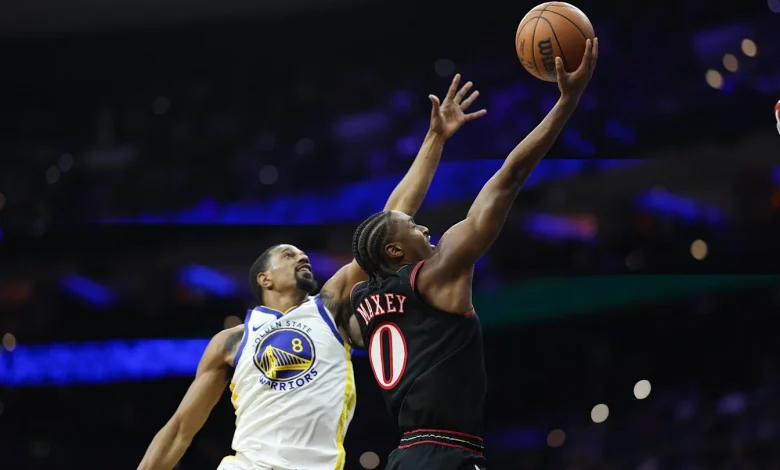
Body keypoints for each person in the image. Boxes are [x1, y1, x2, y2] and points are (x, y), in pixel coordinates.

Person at [136, 74, 487, 470]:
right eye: (288, 254)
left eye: (301, 253)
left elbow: (392, 218)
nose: (301, 256)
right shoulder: (229, 342)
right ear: (263, 279)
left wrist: (435, 139)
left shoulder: (329, 306)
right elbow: (181, 428)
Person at [347, 40, 599, 470]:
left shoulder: (359, 303)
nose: (424, 226)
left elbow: (390, 217)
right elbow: (509, 177)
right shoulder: (437, 273)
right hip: (446, 455)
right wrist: (566, 102)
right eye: (414, 227)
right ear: (393, 250)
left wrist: (434, 138)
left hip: (403, 457)